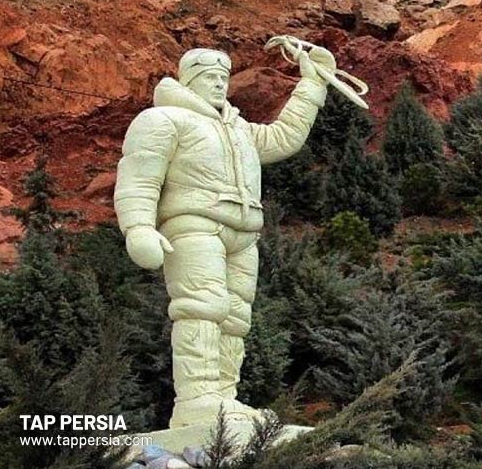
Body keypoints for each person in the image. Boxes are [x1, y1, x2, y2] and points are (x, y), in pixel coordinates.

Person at [113, 38, 331, 428]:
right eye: (209, 77)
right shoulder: (163, 120)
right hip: (194, 226)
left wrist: (312, 83)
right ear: (188, 80)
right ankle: (197, 400)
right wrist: (138, 226)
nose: (219, 84)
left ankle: (223, 399)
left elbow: (285, 137)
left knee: (234, 318)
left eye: (223, 77)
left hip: (243, 234)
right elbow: (139, 177)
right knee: (200, 308)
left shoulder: (239, 129)